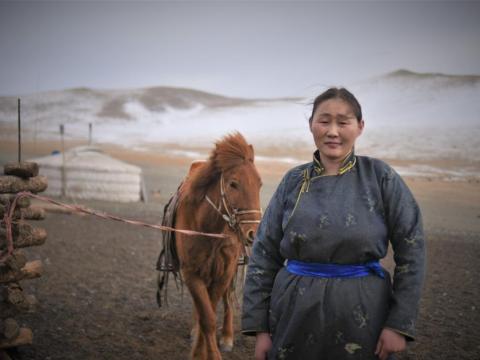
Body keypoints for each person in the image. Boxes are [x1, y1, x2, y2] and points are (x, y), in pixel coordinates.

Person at [241, 87, 426, 360]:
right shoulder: (293, 180)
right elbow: (263, 255)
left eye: (343, 121)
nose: (333, 131)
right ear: (311, 125)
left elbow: (413, 251)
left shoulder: (380, 177)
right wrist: (261, 330)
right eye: (324, 121)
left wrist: (398, 324)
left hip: (365, 315)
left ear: (360, 126)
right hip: (292, 315)